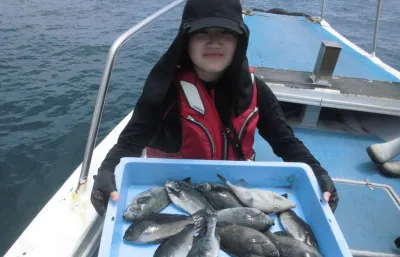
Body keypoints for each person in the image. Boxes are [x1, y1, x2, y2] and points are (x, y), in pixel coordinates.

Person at [90, 0, 339, 216]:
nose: (214, 42)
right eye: (202, 33)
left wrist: (317, 172)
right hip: (176, 194)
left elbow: (285, 141)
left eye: (225, 33)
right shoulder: (164, 90)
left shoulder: (256, 90)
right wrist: (107, 170)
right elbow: (131, 142)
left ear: (239, 41)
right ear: (185, 41)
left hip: (236, 193)